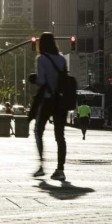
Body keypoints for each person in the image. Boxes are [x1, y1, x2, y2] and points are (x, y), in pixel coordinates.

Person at [32, 32, 68, 181]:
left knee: (38, 131)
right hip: (60, 101)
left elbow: (41, 80)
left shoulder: (41, 59)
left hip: (47, 100)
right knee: (60, 136)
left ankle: (41, 165)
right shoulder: (62, 59)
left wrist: (33, 79)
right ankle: (60, 169)